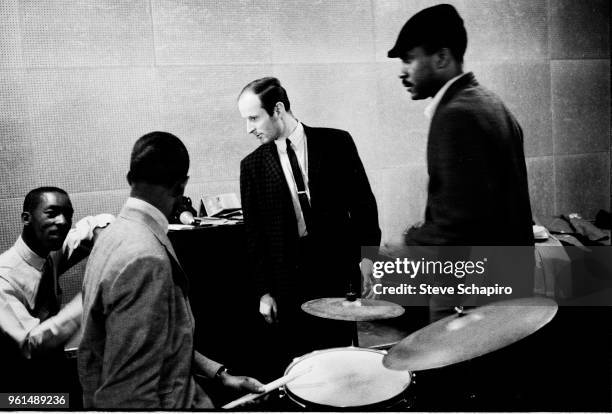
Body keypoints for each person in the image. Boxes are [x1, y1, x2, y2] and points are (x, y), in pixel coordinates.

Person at [386, 5, 536, 408]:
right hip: (505, 291)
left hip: (470, 300)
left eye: (409, 59)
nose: (402, 71)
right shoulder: (492, 104)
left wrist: (398, 257)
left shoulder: (456, 116)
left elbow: (456, 226)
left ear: (442, 57)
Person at [78, 131, 264, 409]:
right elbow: (128, 394)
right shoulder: (144, 257)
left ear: (130, 178)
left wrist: (221, 376)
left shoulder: (112, 236)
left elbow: (160, 337)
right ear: (181, 186)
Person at [238, 77, 381, 370]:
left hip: (337, 273)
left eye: (254, 118)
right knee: (303, 367)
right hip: (287, 283)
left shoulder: (337, 142)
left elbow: (364, 205)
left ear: (277, 109)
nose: (249, 128)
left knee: (342, 360)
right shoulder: (251, 166)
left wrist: (369, 259)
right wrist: (264, 292)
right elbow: (255, 237)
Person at [0, 187, 113, 392]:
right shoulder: (3, 279)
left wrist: (105, 237)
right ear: (27, 218)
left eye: (67, 215)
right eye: (52, 214)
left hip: (53, 375)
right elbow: (29, 345)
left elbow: (93, 225)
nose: (62, 222)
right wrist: (89, 298)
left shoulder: (49, 251)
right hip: (15, 392)